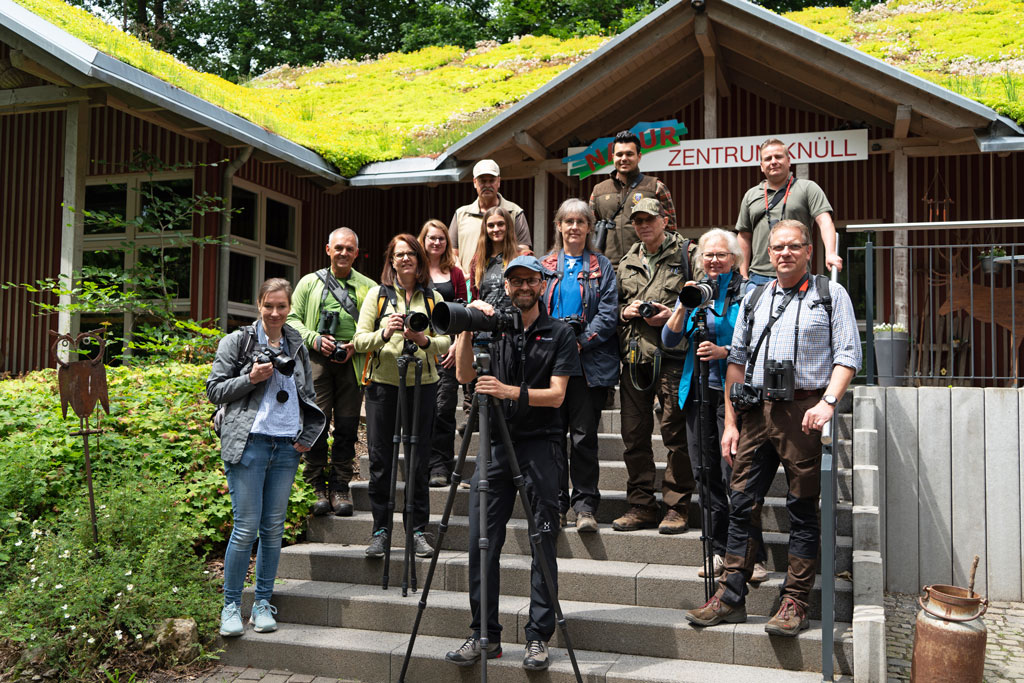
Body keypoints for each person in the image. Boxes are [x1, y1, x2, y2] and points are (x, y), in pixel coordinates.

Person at [685, 219, 861, 637]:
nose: (783, 253)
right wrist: (730, 424)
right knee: (741, 502)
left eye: (792, 247)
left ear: (807, 252)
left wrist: (828, 402)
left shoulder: (830, 294)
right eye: (777, 247)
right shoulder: (757, 296)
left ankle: (795, 601)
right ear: (768, 253)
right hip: (755, 412)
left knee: (802, 509)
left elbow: (849, 355)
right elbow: (736, 361)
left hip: (803, 411)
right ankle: (729, 597)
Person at [445, 255, 581, 672]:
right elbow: (465, 375)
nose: (523, 287)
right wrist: (468, 326)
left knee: (542, 541)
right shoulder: (495, 327)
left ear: (542, 284)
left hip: (541, 445)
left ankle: (538, 637)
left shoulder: (559, 332)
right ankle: (483, 634)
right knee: (480, 542)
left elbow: (557, 395)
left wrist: (507, 390)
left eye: (530, 280)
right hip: (495, 445)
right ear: (505, 286)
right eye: (515, 281)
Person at [207, 278, 326, 638]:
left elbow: (307, 392)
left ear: (290, 308)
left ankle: (261, 603)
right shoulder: (237, 341)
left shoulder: (297, 343)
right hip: (249, 443)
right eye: (268, 306)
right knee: (245, 528)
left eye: (282, 307)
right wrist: (250, 377)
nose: (275, 313)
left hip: (285, 447)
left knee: (272, 530)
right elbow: (215, 390)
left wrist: (306, 436)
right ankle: (231, 606)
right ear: (258, 305)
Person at [661, 229, 767, 582]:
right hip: (697, 392)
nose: (714, 262)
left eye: (721, 255)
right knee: (704, 474)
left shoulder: (750, 293)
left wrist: (725, 352)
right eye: (708, 255)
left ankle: (751, 553)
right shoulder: (695, 291)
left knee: (734, 475)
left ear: (736, 259)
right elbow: (669, 339)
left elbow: (762, 343)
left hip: (735, 396)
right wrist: (683, 305)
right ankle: (719, 551)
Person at [353, 234, 450, 559]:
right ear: (391, 260)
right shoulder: (376, 297)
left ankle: (418, 530)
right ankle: (381, 530)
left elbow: (446, 342)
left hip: (423, 385)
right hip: (383, 386)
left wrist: (424, 341)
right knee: (380, 460)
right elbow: (359, 341)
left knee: (419, 460)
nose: (405, 259)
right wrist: (385, 332)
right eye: (399, 254)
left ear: (419, 260)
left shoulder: (433, 298)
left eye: (411, 254)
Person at [613, 197, 701, 534]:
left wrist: (673, 315)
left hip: (674, 358)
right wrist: (627, 311)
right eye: (637, 221)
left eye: (649, 219)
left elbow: (703, 298)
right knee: (633, 436)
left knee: (675, 436)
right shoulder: (626, 261)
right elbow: (615, 306)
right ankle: (640, 506)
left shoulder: (687, 255)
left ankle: (677, 507)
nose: (643, 225)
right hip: (636, 358)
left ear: (665, 220)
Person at [540, 198, 619, 532]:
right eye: (568, 221)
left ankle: (585, 506)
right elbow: (533, 307)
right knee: (553, 437)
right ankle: (555, 504)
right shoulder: (544, 265)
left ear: (589, 227)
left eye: (581, 222)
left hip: (588, 364)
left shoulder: (602, 266)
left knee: (584, 437)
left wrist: (581, 340)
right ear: (558, 225)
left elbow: (609, 311)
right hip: (549, 365)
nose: (574, 227)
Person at [287, 227, 376, 517]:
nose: (343, 253)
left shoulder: (369, 287)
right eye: (339, 248)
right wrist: (314, 338)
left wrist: (357, 345)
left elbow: (377, 326)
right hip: (317, 362)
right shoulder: (309, 283)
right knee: (316, 424)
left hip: (353, 362)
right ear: (328, 250)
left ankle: (340, 486)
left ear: (356, 253)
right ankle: (315, 487)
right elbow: (291, 319)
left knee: (348, 427)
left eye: (349, 249)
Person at [736, 138, 842, 290]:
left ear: (788, 161)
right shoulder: (751, 195)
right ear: (761, 166)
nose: (773, 161)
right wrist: (743, 274)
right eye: (768, 158)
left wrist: (830, 253)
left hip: (796, 273)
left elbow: (824, 221)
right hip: (758, 276)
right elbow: (744, 235)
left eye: (778, 157)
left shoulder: (807, 188)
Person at [418, 219, 468, 487]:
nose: (436, 242)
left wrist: (456, 343)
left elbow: (463, 311)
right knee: (422, 410)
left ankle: (440, 466)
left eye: (441, 238)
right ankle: (421, 464)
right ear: (422, 240)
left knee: (444, 409)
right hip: (417, 349)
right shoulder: (414, 271)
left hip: (446, 351)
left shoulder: (455, 273)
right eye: (431, 238)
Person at [589, 130, 677, 265]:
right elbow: (589, 230)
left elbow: (671, 231)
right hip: (608, 269)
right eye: (619, 154)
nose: (624, 158)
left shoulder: (655, 187)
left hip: (647, 267)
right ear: (613, 157)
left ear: (639, 156)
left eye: (629, 154)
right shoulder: (598, 191)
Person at [450, 159, 532, 274]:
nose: (487, 185)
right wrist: (462, 275)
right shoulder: (461, 214)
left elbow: (524, 251)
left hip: (504, 284)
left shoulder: (514, 212)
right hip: (468, 285)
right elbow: (452, 252)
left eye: (491, 180)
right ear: (474, 182)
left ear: (498, 181)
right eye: (482, 181)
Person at [469, 206, 520, 308]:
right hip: (484, 320)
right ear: (485, 229)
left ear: (508, 226)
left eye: (500, 224)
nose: (496, 229)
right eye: (491, 225)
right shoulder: (478, 260)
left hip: (514, 320)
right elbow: (475, 297)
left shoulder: (521, 256)